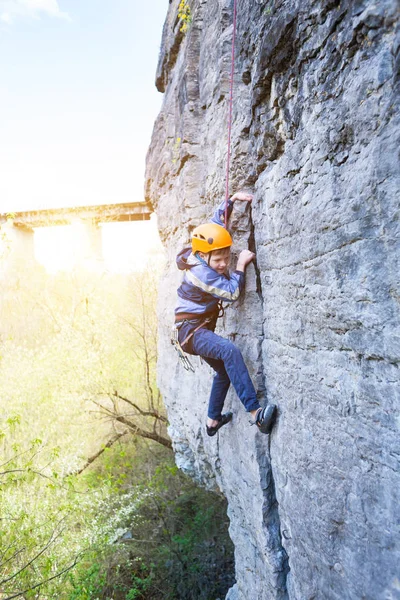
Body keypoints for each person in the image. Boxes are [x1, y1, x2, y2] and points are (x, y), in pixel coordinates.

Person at [174, 191, 277, 436]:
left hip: (194, 329)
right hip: (192, 332)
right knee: (229, 351)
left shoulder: (199, 252)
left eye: (226, 258)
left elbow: (215, 223)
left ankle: (213, 421)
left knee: (223, 370)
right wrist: (240, 264)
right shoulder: (201, 273)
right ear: (203, 256)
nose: (223, 264)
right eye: (219, 260)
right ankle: (256, 415)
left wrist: (231, 200)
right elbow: (231, 293)